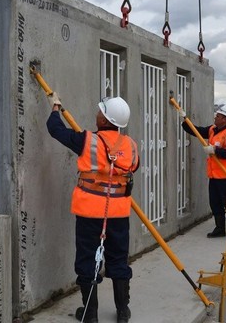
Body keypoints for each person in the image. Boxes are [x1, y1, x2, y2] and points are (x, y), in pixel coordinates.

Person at [46, 94, 139, 323]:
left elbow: (56, 130)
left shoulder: (87, 141)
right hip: (118, 214)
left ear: (106, 120)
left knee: (88, 260)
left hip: (90, 213)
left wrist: (55, 108)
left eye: (100, 112)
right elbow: (133, 167)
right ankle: (122, 312)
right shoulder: (131, 145)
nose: (97, 114)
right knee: (118, 259)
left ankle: (90, 314)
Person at [179, 104, 226, 243]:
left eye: (219, 116)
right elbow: (196, 131)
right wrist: (184, 120)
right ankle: (220, 228)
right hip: (214, 175)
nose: (216, 117)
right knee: (214, 203)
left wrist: (215, 150)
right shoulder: (212, 130)